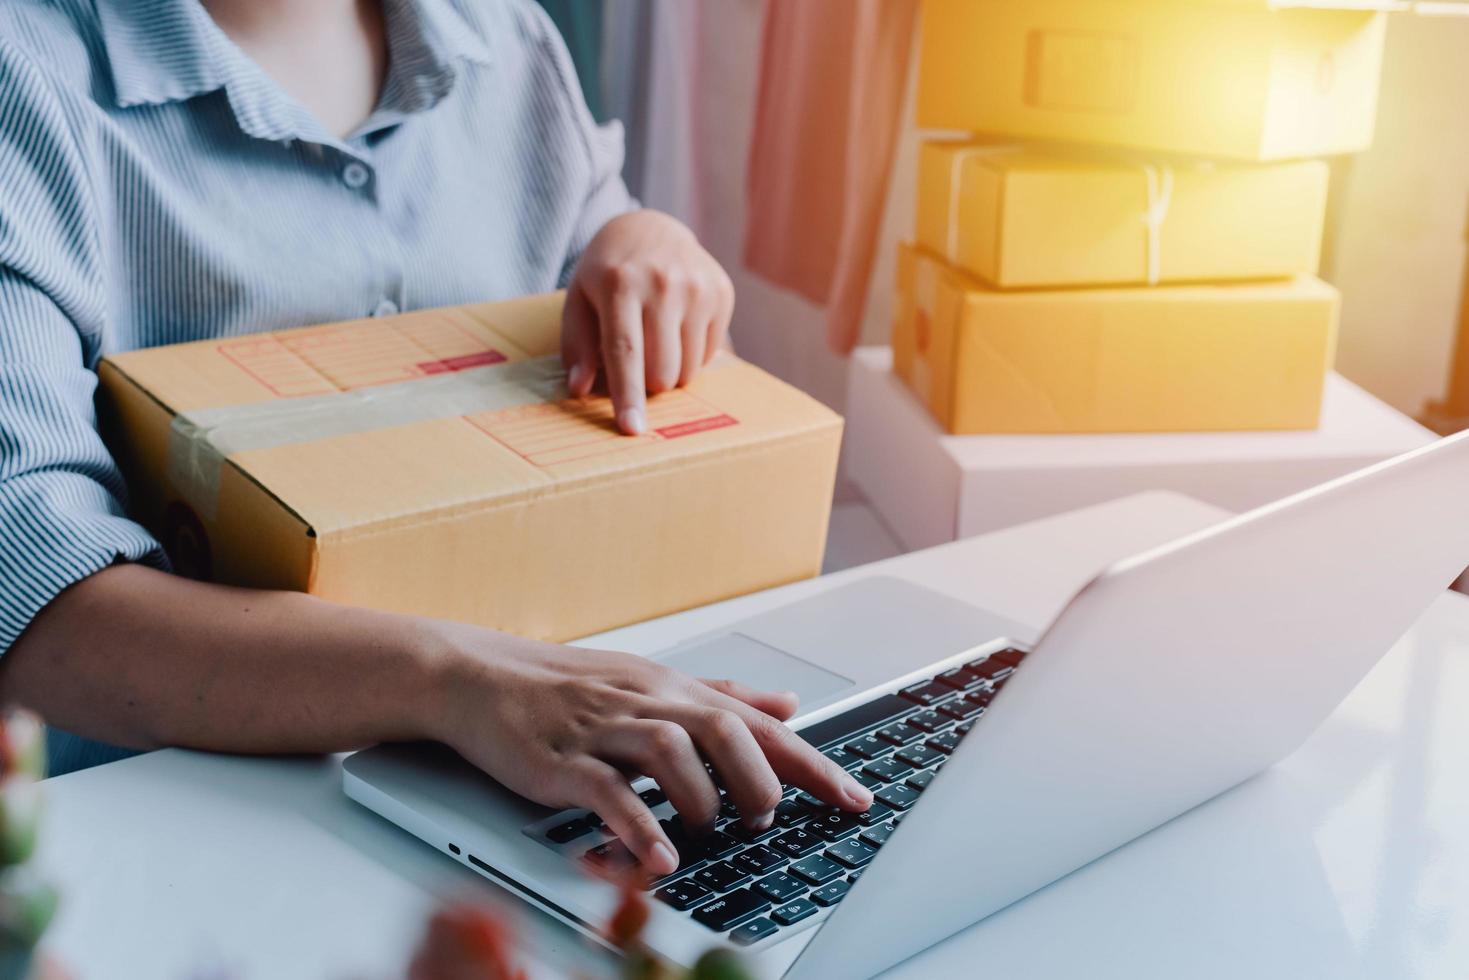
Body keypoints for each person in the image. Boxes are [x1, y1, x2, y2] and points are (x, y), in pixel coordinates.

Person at [0, 0, 872, 877]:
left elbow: (604, 270)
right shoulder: (28, 76)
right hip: (187, 837)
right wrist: (456, 681)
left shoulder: (502, 33)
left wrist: (645, 240)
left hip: (537, 788)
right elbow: (38, 610)